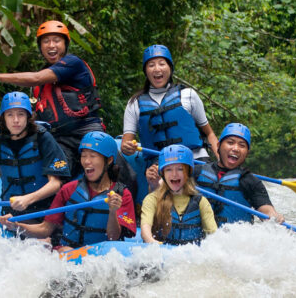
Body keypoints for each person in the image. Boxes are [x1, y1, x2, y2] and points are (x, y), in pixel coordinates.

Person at [0, 20, 104, 178]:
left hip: (86, 131)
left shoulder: (73, 64)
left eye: (57, 40)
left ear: (65, 44)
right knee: (52, 171)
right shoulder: (40, 87)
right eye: (46, 41)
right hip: (58, 139)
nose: (51, 45)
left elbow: (36, 77)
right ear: (40, 47)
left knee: (104, 168)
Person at [0, 131, 136, 251]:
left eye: (93, 156)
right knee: (63, 250)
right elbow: (45, 229)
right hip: (68, 253)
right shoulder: (69, 189)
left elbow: (113, 238)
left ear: (109, 160)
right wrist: (15, 225)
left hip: (99, 259)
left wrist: (112, 211)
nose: (86, 161)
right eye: (84, 155)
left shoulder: (121, 194)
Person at [120, 44, 219, 194]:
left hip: (195, 159)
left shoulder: (189, 95)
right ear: (146, 71)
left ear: (170, 68)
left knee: (209, 181)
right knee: (159, 186)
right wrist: (127, 148)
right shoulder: (135, 104)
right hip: (161, 164)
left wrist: (221, 163)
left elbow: (210, 133)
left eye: (162, 63)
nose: (157, 69)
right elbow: (125, 144)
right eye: (151, 65)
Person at [0, 92, 69, 219]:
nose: (16, 120)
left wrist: (28, 199)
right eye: (10, 115)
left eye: (21, 114)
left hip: (43, 210)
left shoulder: (43, 138)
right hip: (11, 211)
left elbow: (56, 184)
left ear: (28, 116)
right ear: (3, 118)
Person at [195, 123, 285, 226]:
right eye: (230, 142)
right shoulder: (196, 173)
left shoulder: (250, 181)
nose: (236, 148)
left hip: (229, 240)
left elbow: (266, 210)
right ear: (218, 146)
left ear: (247, 153)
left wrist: (275, 217)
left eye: (242, 145)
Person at [140, 144, 217, 245]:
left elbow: (214, 236)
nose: (174, 174)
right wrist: (153, 243)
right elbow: (145, 232)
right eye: (168, 170)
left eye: (180, 169)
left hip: (192, 257)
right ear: (162, 173)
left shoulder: (201, 202)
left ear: (188, 172)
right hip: (162, 254)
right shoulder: (152, 199)